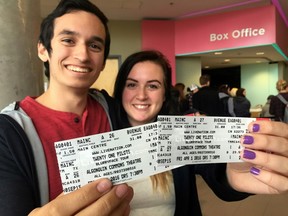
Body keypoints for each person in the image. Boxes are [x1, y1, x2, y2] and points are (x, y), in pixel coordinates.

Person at [113, 50, 288, 215]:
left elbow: (215, 170)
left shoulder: (180, 136)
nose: (141, 95)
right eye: (131, 85)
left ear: (165, 94)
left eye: (152, 86)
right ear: (121, 90)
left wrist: (232, 176)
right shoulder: (102, 130)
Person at [0, 0, 133, 215]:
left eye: (95, 46)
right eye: (68, 40)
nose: (82, 55)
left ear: (102, 62)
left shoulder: (113, 110)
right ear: (43, 50)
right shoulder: (9, 131)